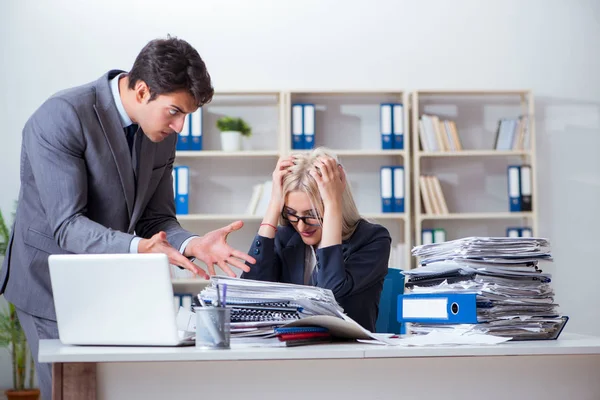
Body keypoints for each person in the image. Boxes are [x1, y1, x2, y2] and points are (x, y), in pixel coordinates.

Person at [0, 36, 255, 399]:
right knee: (72, 390)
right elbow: (67, 225)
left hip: (108, 283)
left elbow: (157, 220)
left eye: (187, 115)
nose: (180, 126)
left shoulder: (162, 133)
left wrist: (193, 244)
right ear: (140, 91)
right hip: (47, 282)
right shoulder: (61, 116)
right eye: (174, 111)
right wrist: (139, 249)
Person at [241, 147, 391, 331]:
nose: (301, 226)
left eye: (311, 214)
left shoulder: (372, 239)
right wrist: (273, 205)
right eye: (291, 213)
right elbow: (248, 294)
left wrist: (333, 205)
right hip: (288, 350)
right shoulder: (285, 238)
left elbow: (329, 294)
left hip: (345, 352)